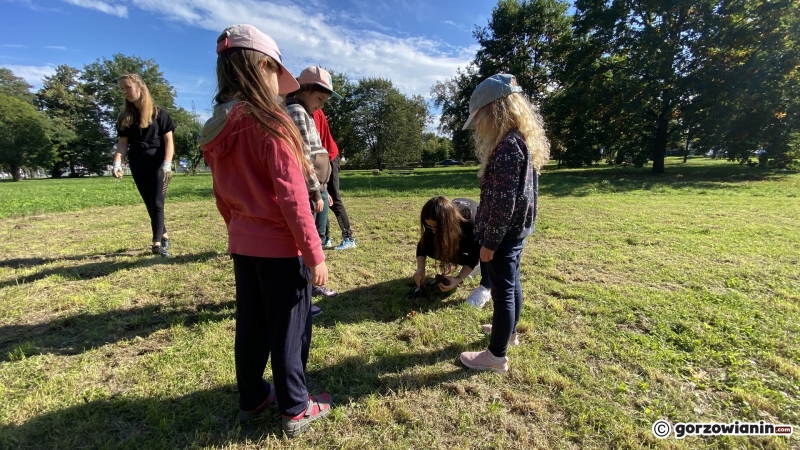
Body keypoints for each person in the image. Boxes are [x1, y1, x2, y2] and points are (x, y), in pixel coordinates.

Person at [197, 24, 332, 437]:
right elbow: (294, 197)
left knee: (251, 323)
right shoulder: (273, 123)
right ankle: (295, 407)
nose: (280, 82)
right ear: (261, 67)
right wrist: (315, 254)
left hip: (244, 244)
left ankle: (253, 396)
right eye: (276, 70)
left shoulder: (216, 128)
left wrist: (238, 231)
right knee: (290, 327)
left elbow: (222, 197)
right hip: (281, 248)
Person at [459, 74, 550, 374]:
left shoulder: (509, 147)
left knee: (502, 291)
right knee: (512, 285)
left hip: (503, 234)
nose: (480, 126)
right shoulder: (519, 141)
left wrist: (489, 243)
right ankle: (508, 335)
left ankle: (496, 356)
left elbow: (503, 202)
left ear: (495, 110)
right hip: (516, 232)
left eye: (481, 117)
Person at [285, 66, 339, 299]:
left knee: (315, 236)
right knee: (307, 240)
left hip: (317, 187)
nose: (321, 105)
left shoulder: (305, 111)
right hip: (308, 190)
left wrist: (323, 189)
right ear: (303, 89)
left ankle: (308, 285)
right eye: (319, 98)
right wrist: (315, 192)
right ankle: (306, 286)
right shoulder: (296, 110)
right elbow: (303, 155)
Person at [112, 74, 176, 257]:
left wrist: (167, 163)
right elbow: (123, 143)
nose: (125, 92)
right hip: (137, 162)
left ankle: (156, 244)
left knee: (157, 201)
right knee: (149, 202)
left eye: (127, 87)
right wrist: (117, 162)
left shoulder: (159, 113)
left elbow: (169, 141)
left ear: (140, 87)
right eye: (122, 89)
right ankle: (163, 235)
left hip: (158, 162)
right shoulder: (126, 117)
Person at [413, 196, 491, 308]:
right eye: (429, 226)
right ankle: (474, 267)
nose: (433, 231)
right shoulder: (432, 224)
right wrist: (420, 268)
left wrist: (458, 279)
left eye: (436, 227)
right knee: (433, 248)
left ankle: (486, 288)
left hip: (486, 238)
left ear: (447, 222)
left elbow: (473, 256)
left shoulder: (471, 224)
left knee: (486, 254)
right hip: (457, 233)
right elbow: (423, 245)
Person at [313, 110, 356, 250]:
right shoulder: (307, 106)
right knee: (323, 196)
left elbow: (314, 141)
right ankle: (325, 238)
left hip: (328, 157)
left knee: (333, 199)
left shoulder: (312, 110)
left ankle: (349, 238)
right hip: (320, 157)